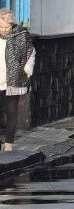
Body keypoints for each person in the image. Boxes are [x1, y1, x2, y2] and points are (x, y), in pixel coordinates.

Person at [0, 8, 36, 152]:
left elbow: (31, 52)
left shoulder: (21, 34)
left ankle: (8, 143)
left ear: (11, 24)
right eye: (0, 27)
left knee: (11, 111)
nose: (3, 30)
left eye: (5, 27)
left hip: (14, 78)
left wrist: (27, 70)